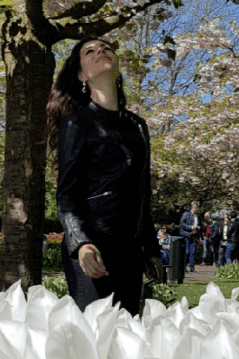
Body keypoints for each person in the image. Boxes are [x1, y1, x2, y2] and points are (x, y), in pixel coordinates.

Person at [48, 38, 162, 315]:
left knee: (128, 333)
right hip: (92, 247)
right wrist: (81, 243)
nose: (100, 51)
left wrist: (150, 248)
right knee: (96, 331)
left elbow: (142, 191)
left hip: (130, 249)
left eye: (107, 48)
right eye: (90, 52)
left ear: (118, 65)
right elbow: (66, 194)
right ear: (81, 75)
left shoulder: (138, 126)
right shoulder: (77, 122)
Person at [178, 201, 201, 274]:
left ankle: (192, 268)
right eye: (197, 208)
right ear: (194, 208)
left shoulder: (197, 215)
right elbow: (181, 224)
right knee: (187, 252)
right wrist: (190, 227)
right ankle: (184, 267)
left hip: (194, 236)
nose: (198, 209)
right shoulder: (186, 214)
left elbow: (199, 224)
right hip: (187, 235)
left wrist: (199, 228)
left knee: (193, 252)